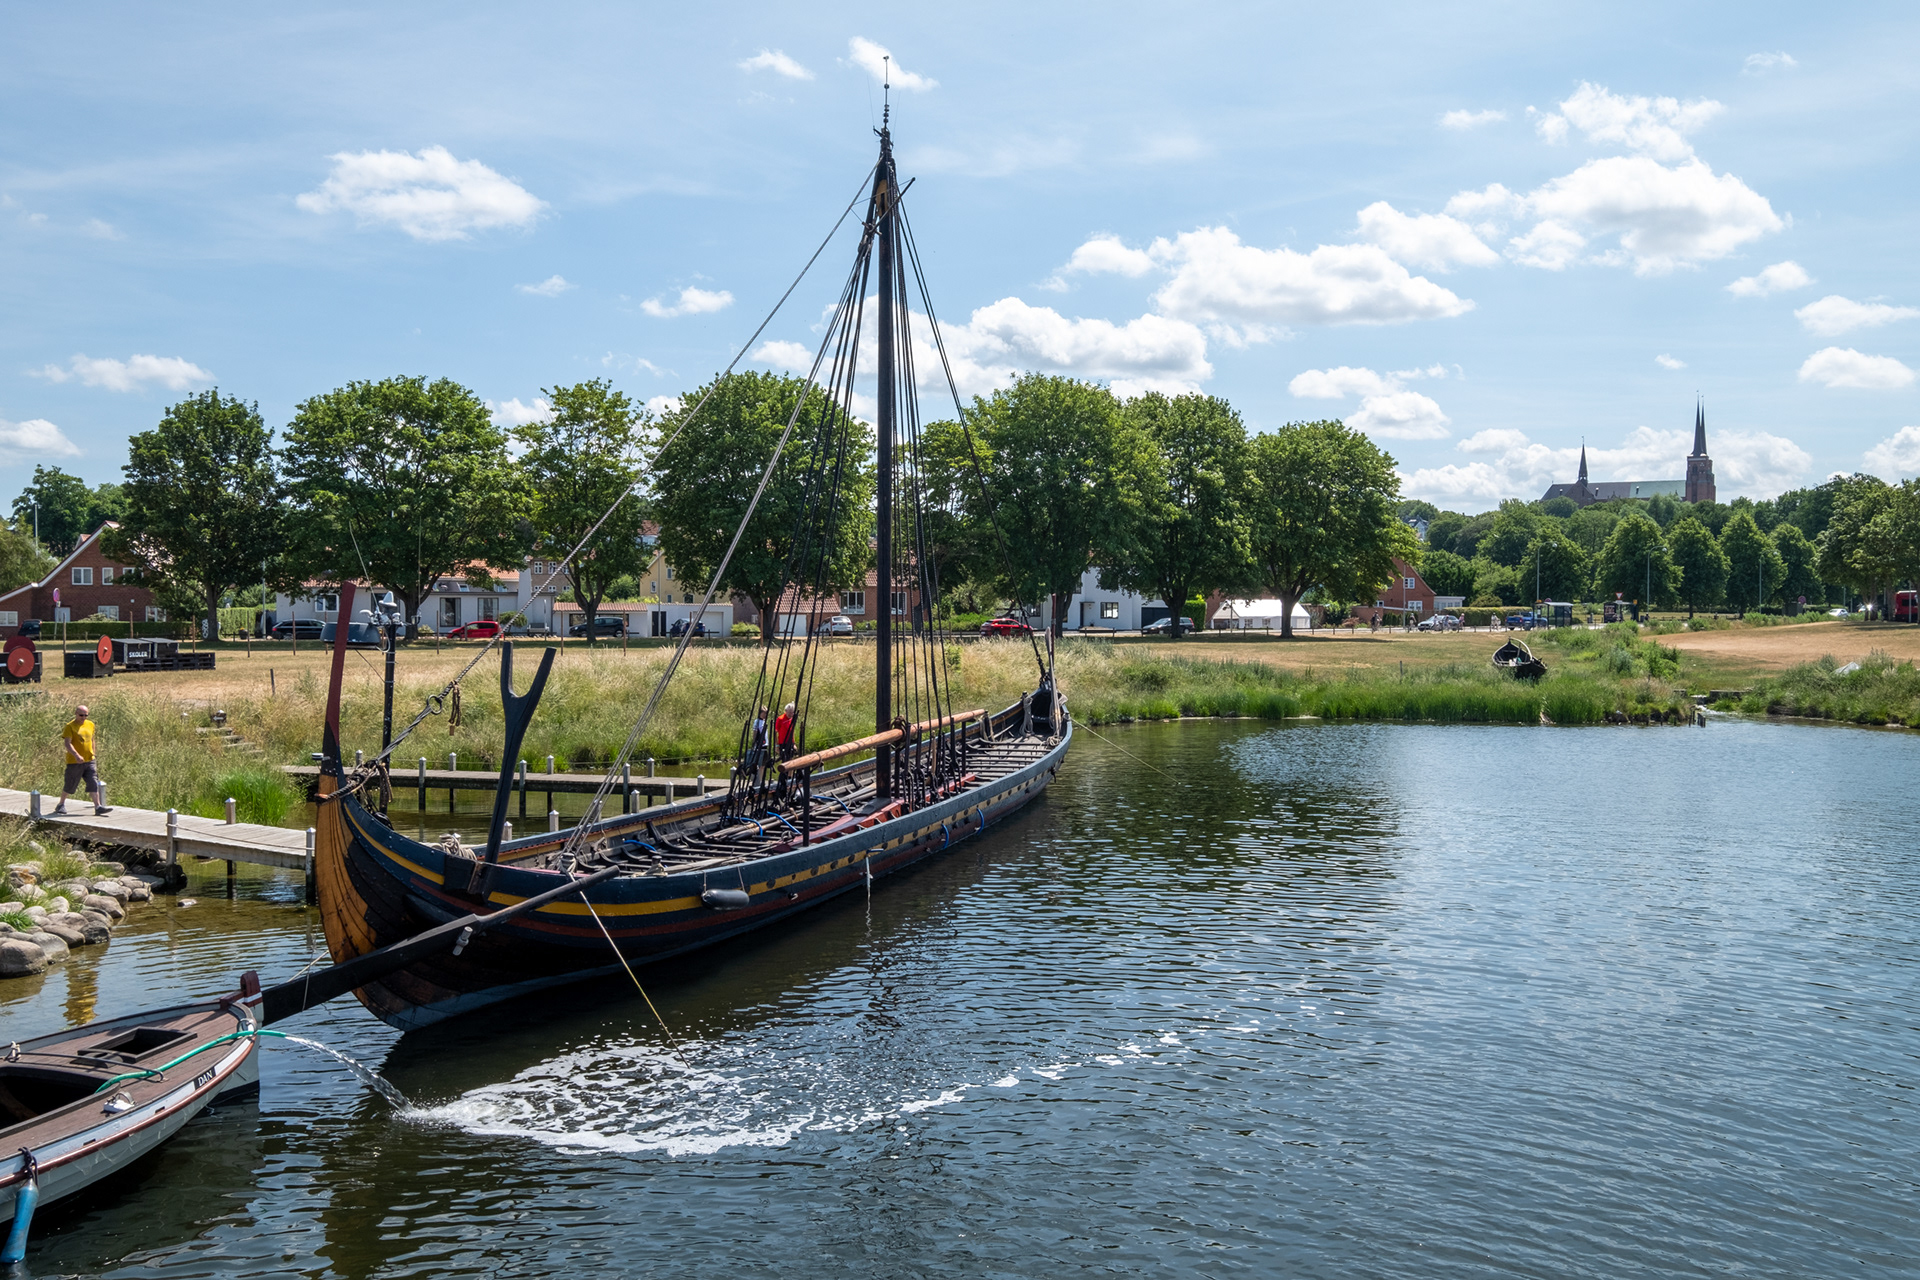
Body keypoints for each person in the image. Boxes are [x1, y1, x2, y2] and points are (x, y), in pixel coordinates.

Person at [57, 704, 111, 816]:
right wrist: (76, 755)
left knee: (93, 781)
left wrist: (93, 753)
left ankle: (98, 806)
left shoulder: (90, 724)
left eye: (86, 715)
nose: (83, 717)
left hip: (89, 760)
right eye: (81, 715)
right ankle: (61, 804)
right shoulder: (70, 726)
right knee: (70, 784)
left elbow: (92, 740)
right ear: (76, 714)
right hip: (74, 761)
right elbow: (67, 743)